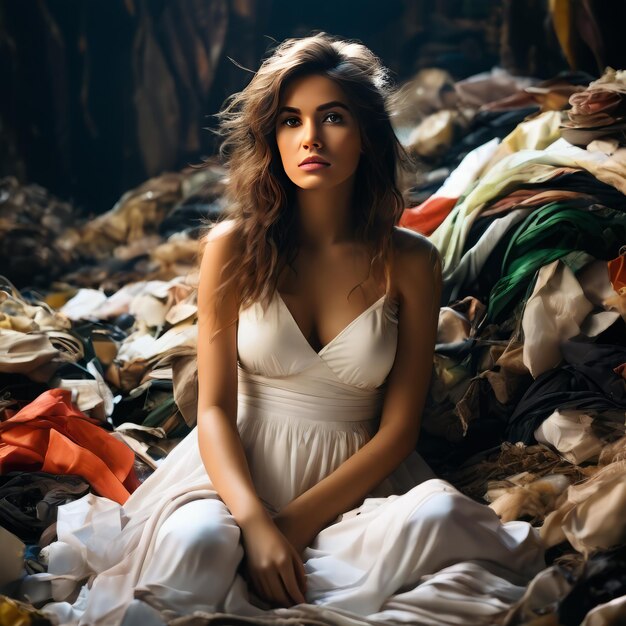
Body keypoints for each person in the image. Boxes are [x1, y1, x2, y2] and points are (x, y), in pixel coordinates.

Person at [23, 32, 545, 626]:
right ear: (272, 136)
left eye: (333, 117)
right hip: (231, 477)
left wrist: (292, 527)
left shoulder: (412, 260)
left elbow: (398, 431)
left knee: (440, 521)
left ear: (367, 134)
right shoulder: (234, 248)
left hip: (356, 485)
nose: (311, 138)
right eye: (291, 120)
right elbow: (215, 410)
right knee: (198, 551)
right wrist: (253, 522)